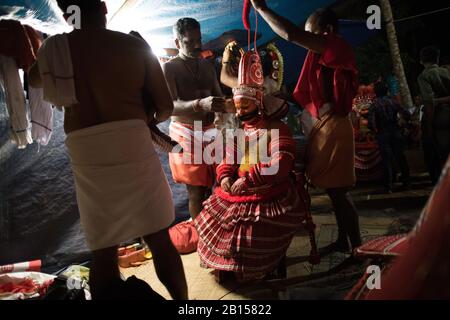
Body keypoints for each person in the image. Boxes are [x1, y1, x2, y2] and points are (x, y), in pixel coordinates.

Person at [28, 0, 187, 300]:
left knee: (103, 249)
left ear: (67, 15)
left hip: (86, 150)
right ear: (102, 7)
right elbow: (165, 106)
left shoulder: (54, 50)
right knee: (157, 236)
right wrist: (144, 115)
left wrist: (47, 51)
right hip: (130, 140)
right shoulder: (132, 46)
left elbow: (35, 79)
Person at [250, 0, 362, 253]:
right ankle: (344, 241)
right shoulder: (325, 54)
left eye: (311, 33)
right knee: (336, 193)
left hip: (333, 127)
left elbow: (290, 33)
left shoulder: (336, 46)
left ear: (328, 31)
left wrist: (262, 9)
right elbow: (309, 95)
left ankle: (357, 249)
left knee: (340, 193)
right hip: (325, 126)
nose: (307, 39)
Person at [194, 47, 311, 281]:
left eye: (244, 107)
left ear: (258, 103)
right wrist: (226, 175)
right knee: (210, 220)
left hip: (270, 193)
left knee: (251, 231)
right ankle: (228, 269)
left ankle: (264, 268)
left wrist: (247, 179)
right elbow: (229, 157)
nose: (239, 112)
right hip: (239, 191)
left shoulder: (277, 129)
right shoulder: (241, 131)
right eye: (237, 108)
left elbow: (281, 164)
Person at [162, 17, 233, 220]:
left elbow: (218, 96)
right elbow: (169, 106)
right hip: (184, 133)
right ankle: (203, 241)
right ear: (177, 43)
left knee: (218, 185)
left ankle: (215, 232)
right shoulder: (170, 68)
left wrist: (232, 105)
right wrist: (198, 104)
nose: (196, 45)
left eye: (198, 40)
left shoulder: (207, 65)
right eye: (189, 42)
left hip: (211, 130)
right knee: (196, 192)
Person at [368, 81, 410, 193]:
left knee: (386, 160)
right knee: (400, 156)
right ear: (387, 91)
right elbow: (406, 113)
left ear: (376, 93)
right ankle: (406, 182)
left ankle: (389, 186)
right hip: (395, 131)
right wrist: (403, 123)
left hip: (383, 133)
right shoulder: (393, 102)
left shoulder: (374, 105)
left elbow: (371, 123)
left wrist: (375, 131)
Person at [417, 46, 450, 184]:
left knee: (443, 155)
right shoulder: (446, 71)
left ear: (422, 61)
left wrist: (429, 127)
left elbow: (429, 103)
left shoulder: (424, 76)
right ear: (437, 58)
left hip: (441, 118)